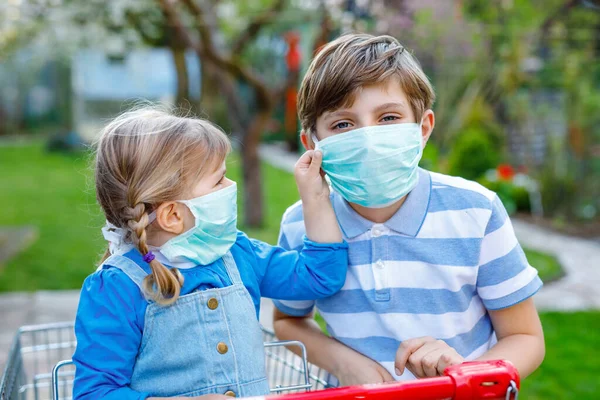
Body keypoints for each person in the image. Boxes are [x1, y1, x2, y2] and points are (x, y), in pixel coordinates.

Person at [273, 33, 545, 385]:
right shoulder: (300, 224)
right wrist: (342, 362)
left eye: (388, 117)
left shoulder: (476, 212)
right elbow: (287, 319)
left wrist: (465, 375)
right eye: (343, 124)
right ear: (313, 143)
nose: (369, 139)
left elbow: (525, 338)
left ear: (423, 129)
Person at [72, 107, 348, 400]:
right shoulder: (117, 288)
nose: (231, 186)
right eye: (219, 180)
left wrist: (316, 197)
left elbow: (320, 276)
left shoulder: (239, 254)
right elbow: (94, 393)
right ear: (172, 216)